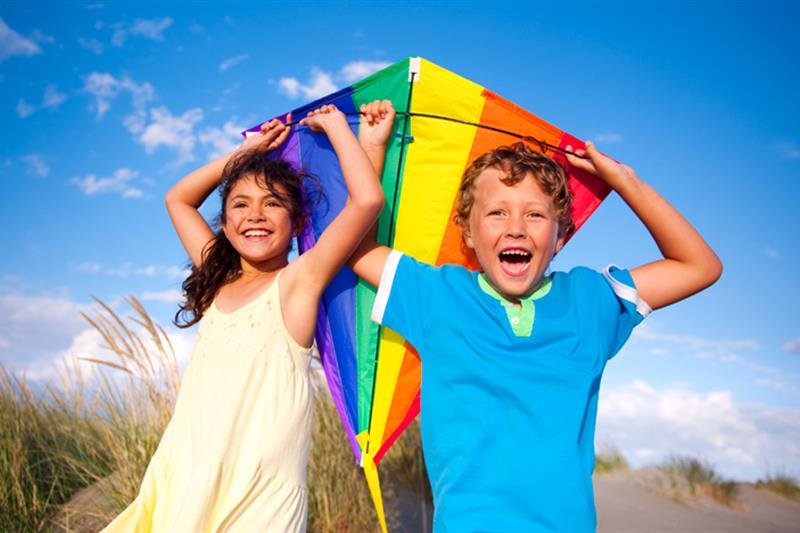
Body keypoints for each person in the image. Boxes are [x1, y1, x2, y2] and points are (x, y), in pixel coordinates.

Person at [352, 100, 722, 531]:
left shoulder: (591, 300)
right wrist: (372, 148)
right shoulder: (439, 295)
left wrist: (623, 180)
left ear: (561, 234)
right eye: (496, 212)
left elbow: (699, 266)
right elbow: (355, 247)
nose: (516, 227)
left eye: (535, 214)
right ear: (468, 232)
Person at [101, 104, 384, 532]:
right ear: (226, 225)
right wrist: (246, 153)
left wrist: (337, 128)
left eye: (272, 204)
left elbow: (367, 201)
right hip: (185, 473)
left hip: (260, 494)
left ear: (296, 223)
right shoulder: (218, 281)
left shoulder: (298, 283)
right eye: (240, 205)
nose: (254, 215)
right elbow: (177, 199)